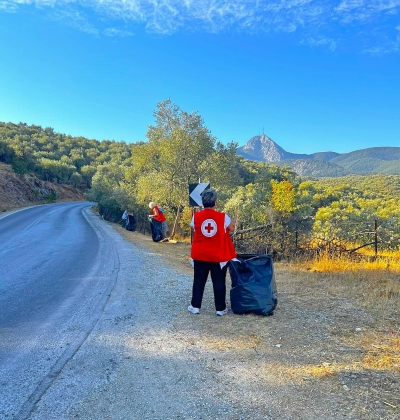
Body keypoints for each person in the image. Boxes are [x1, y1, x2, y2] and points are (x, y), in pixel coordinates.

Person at [188, 188, 236, 316]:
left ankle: (195, 307)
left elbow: (194, 228)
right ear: (215, 202)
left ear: (203, 202)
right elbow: (232, 228)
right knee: (219, 281)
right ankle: (220, 309)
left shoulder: (196, 216)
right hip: (218, 255)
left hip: (200, 254)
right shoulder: (223, 217)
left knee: (198, 281)